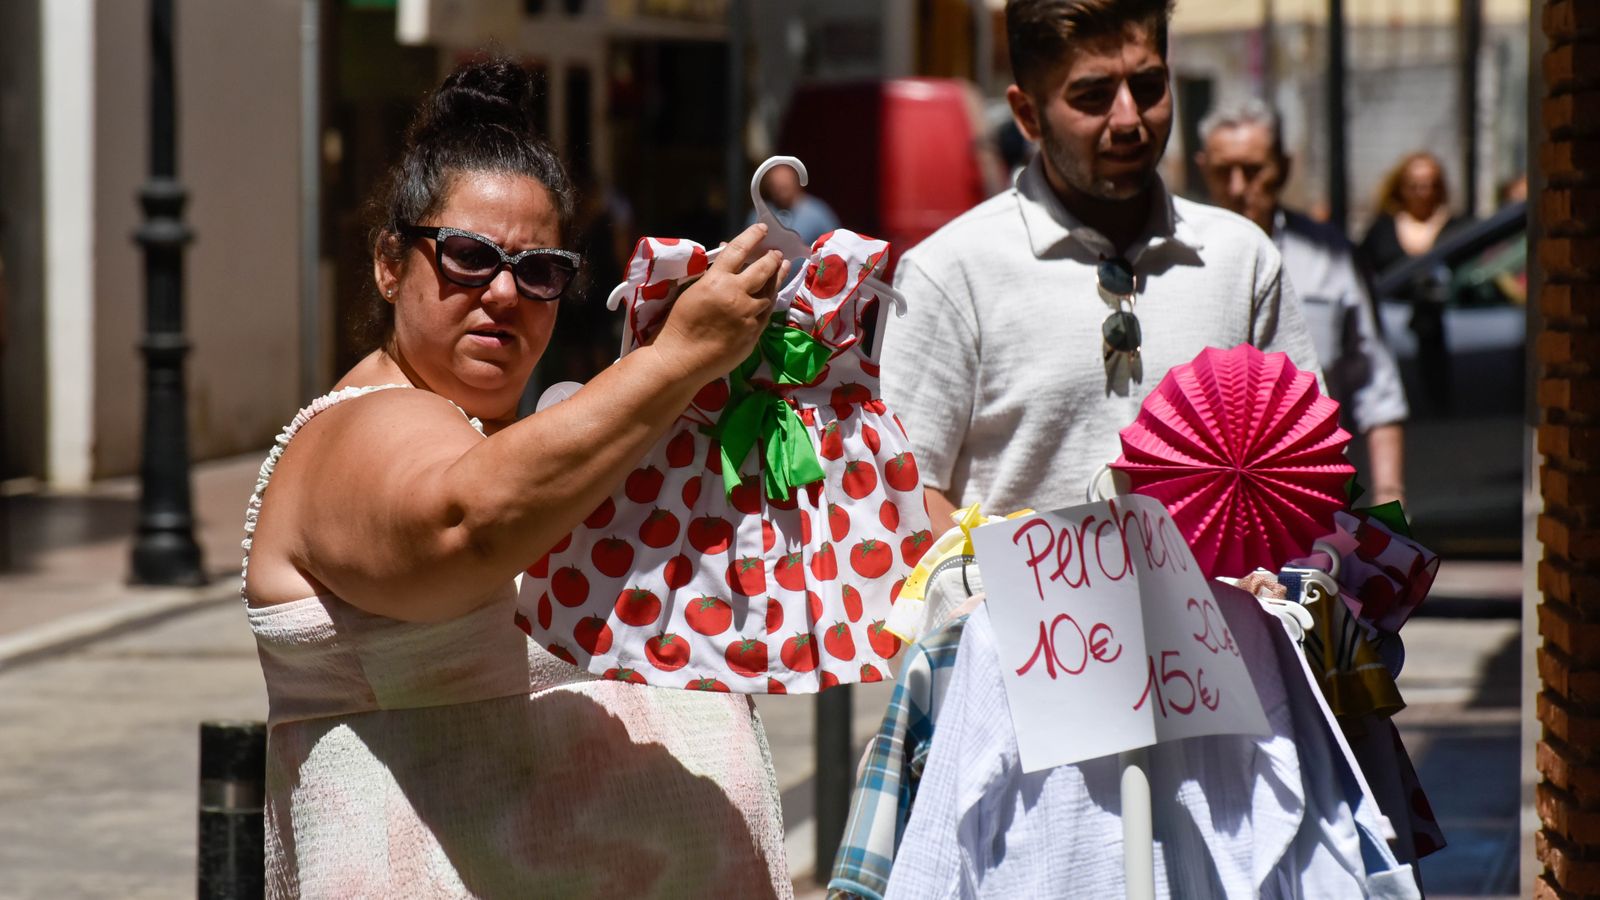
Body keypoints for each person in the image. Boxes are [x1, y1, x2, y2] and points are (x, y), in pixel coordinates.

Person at [239, 59, 793, 897]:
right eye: (467, 256)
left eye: (538, 272)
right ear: (391, 263)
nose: (503, 292)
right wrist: (679, 359)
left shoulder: (528, 437)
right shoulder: (355, 427)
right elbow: (467, 525)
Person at [881, 0, 1320, 530]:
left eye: (1150, 87)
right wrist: (1007, 584)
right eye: (1093, 97)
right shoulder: (951, 272)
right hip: (1016, 612)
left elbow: (1301, 465)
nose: (1129, 118)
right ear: (1027, 115)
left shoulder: (1242, 259)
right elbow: (903, 490)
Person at [1196, 98, 1409, 506]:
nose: (1239, 188)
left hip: (1312, 496)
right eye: (1224, 172)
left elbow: (1377, 389)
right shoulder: (1180, 256)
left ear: (1285, 167)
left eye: (1254, 170)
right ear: (1203, 167)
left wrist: (1389, 505)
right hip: (1208, 502)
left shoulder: (1330, 257)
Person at [1357, 152, 1469, 412]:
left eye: (1429, 184)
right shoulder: (1382, 229)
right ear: (1401, 187)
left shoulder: (1458, 228)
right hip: (1391, 330)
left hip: (1456, 333)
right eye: (1414, 185)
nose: (1422, 191)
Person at [747, 162, 840, 246]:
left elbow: (835, 244)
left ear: (796, 182)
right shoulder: (759, 214)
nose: (780, 190)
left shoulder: (817, 212)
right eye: (775, 185)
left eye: (785, 185)